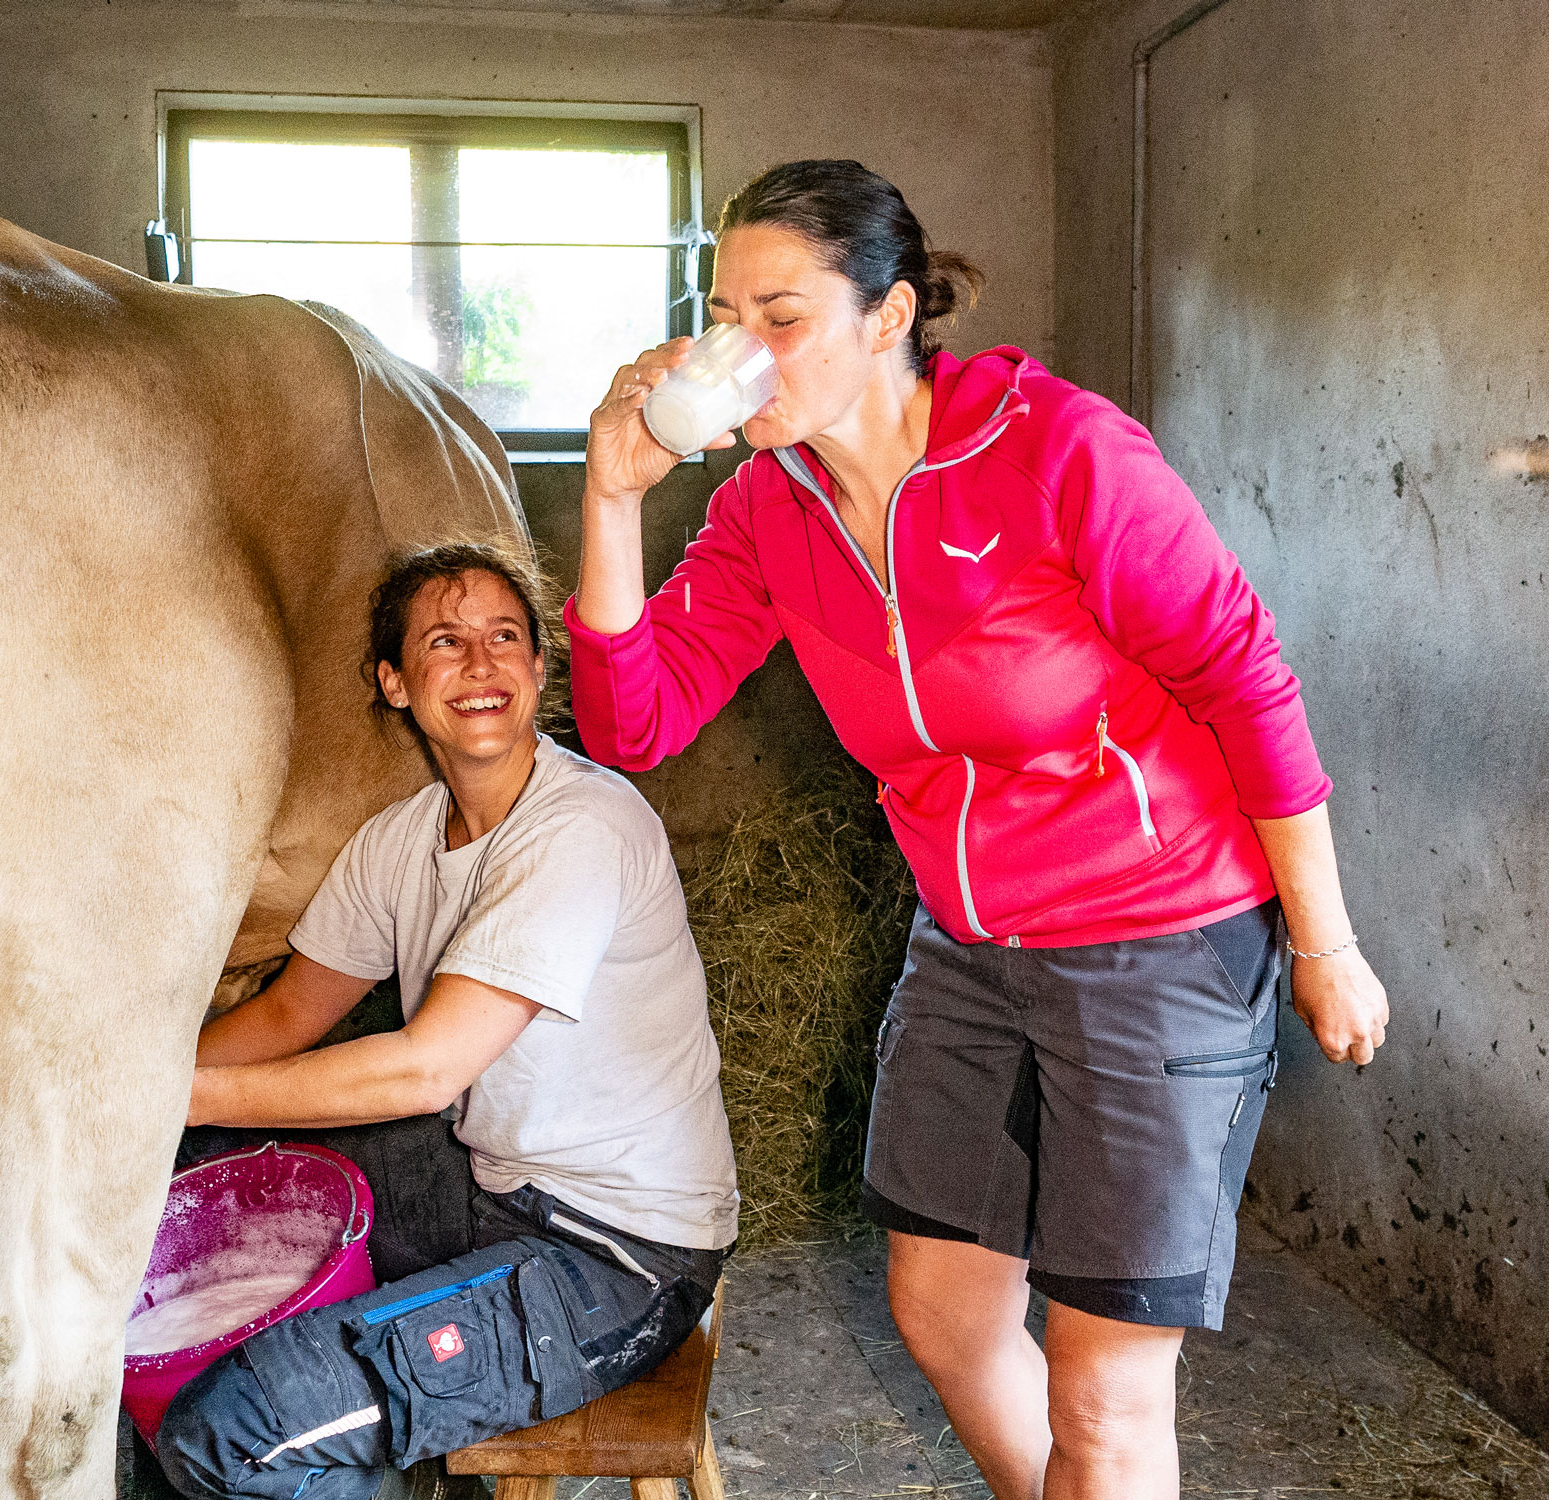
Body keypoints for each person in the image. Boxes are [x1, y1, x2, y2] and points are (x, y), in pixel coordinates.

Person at [567, 158, 1390, 1500]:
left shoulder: (1056, 449)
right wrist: (612, 497)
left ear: (888, 319)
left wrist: (1324, 941)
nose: (742, 349)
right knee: (946, 1315)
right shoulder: (773, 511)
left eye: (783, 315)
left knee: (1106, 1400)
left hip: (1160, 937)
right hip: (968, 943)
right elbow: (632, 724)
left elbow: (1244, 677)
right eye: (724, 312)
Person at [155, 542, 738, 1500]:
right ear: (394, 683)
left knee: (227, 1435)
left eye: (506, 637)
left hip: (617, 1251)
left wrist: (168, 1094)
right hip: (487, 1180)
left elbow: (426, 1071)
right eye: (444, 642)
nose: (480, 664)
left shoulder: (582, 826)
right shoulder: (400, 843)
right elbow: (292, 1012)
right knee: (204, 1168)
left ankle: (334, 1432)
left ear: (540, 670)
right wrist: (132, 1096)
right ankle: (393, 1413)